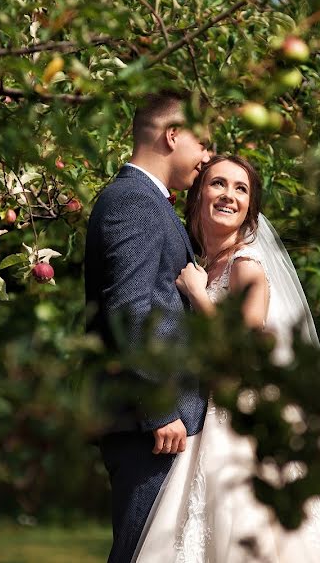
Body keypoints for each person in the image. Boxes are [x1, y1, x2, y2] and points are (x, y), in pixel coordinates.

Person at [131, 155, 320, 563]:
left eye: (240, 188)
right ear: (198, 195)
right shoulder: (206, 265)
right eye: (218, 184)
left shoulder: (246, 265)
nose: (228, 195)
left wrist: (198, 296)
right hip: (213, 414)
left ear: (251, 207)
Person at [84, 90, 212, 563]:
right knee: (142, 553)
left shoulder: (150, 202)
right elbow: (130, 309)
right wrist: (158, 408)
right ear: (172, 135)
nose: (207, 157)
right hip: (149, 425)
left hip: (159, 423)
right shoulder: (133, 202)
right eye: (203, 144)